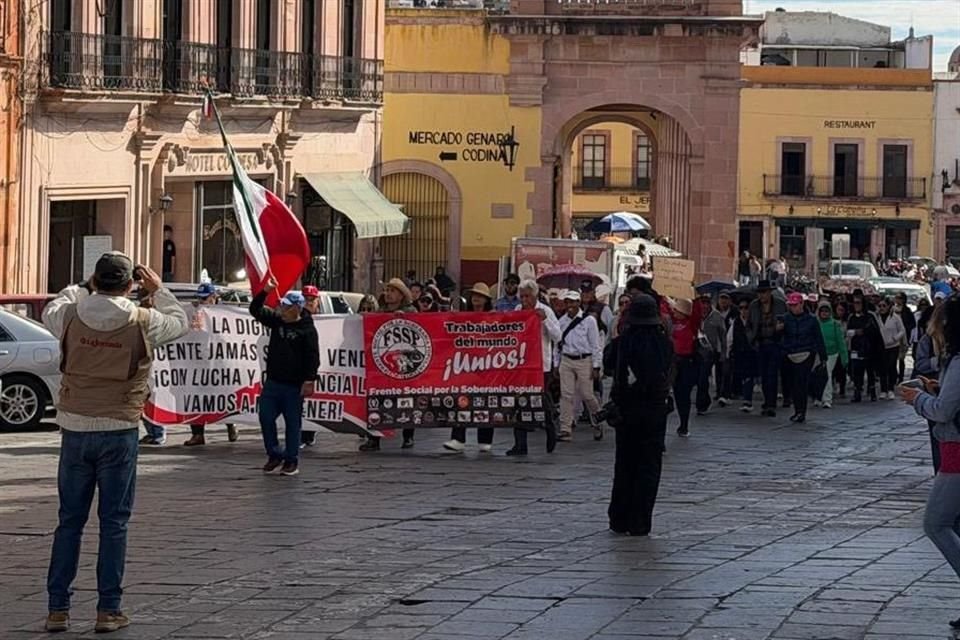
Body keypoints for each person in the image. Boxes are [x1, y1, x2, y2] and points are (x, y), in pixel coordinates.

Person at [42, 254, 188, 634]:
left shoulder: (71, 314)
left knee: (69, 522)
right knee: (114, 523)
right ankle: (108, 609)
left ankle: (58, 609)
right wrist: (160, 289)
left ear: (95, 279)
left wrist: (83, 286)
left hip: (75, 426)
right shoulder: (144, 320)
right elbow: (181, 322)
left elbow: (54, 305)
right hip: (120, 426)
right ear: (130, 285)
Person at [901, 296, 960, 631]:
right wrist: (937, 388)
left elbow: (942, 412)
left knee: (936, 524)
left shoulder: (959, 361)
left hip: (956, 451)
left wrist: (918, 398)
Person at [604, 294, 673, 536]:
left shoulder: (624, 341)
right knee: (649, 466)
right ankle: (640, 521)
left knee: (625, 464)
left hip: (627, 409)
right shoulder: (663, 343)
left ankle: (619, 518)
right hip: (654, 410)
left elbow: (608, 362)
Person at [250, 280, 320, 476]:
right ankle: (274, 453)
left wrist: (310, 380)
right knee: (265, 417)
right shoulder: (277, 321)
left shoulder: (307, 329)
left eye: (286, 306)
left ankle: (291, 460)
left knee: (292, 423)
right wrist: (264, 291)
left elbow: (313, 356)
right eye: (282, 305)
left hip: (293, 385)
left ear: (296, 308)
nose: (281, 308)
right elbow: (255, 309)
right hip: (273, 382)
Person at [360, 279, 417, 452]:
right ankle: (374, 438)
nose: (388, 293)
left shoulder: (411, 311)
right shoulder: (379, 312)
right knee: (376, 400)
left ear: (401, 294)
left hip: (404, 363)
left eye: (392, 290)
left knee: (407, 400)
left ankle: (408, 437)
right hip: (382, 363)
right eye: (386, 290)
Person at [508, 279, 561, 456]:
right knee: (519, 402)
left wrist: (544, 320)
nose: (524, 300)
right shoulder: (517, 311)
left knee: (541, 399)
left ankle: (550, 428)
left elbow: (557, 336)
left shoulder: (545, 311)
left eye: (527, 296)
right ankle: (520, 443)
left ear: (535, 296)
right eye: (521, 296)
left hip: (541, 364)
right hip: (521, 363)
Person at [184, 283, 239, 447]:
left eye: (206, 298)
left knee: (223, 396)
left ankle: (231, 424)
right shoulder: (195, 312)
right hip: (198, 363)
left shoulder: (224, 314)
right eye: (200, 298)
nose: (202, 302)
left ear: (214, 298)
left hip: (218, 363)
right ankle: (197, 434)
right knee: (195, 398)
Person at [444, 283, 495, 452]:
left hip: (488, 364)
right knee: (462, 400)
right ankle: (458, 438)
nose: (476, 298)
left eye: (479, 296)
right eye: (474, 295)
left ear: (486, 300)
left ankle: (485, 439)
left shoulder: (494, 317)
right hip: (466, 364)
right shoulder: (464, 317)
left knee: (487, 402)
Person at [556, 290, 602, 442]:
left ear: (578, 303)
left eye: (573, 302)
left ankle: (598, 420)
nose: (570, 305)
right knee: (566, 395)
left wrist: (596, 366)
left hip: (584, 360)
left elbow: (595, 345)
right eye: (568, 302)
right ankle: (565, 428)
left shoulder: (589, 321)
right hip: (567, 359)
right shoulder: (562, 321)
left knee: (587, 395)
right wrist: (557, 364)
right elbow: (558, 344)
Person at [781, 292, 827, 423]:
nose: (793, 308)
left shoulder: (812, 320)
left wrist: (823, 357)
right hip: (790, 354)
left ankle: (801, 411)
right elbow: (780, 336)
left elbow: (818, 338)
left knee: (801, 383)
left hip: (806, 353)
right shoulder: (785, 319)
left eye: (795, 305)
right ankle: (797, 410)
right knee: (794, 384)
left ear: (801, 304)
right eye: (791, 305)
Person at [747, 280, 786, 417]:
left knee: (772, 374)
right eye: (760, 293)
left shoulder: (780, 304)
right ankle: (767, 401)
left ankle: (771, 403)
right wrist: (751, 338)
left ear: (770, 292)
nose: (761, 295)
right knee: (763, 374)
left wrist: (781, 329)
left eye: (764, 292)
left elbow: (786, 321)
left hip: (775, 342)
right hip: (761, 343)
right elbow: (749, 325)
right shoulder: (754, 306)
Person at [668, 297, 705, 437]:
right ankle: (682, 419)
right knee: (677, 393)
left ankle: (684, 423)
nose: (675, 312)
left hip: (687, 362)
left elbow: (696, 312)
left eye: (678, 310)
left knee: (684, 393)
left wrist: (694, 296)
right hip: (675, 361)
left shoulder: (691, 325)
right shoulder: (674, 323)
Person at [299, 285, 323, 448]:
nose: (308, 302)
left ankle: (309, 433)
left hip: (320, 369)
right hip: (301, 369)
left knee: (315, 402)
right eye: (305, 299)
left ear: (317, 301)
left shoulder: (326, 319)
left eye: (311, 299)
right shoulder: (295, 319)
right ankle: (302, 434)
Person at [847, 295, 882, 403]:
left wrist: (864, 332)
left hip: (868, 347)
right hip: (856, 347)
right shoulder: (852, 317)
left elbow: (875, 331)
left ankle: (872, 392)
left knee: (870, 370)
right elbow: (848, 331)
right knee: (856, 370)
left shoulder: (869, 317)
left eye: (858, 303)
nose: (856, 305)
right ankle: (857, 392)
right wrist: (854, 332)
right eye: (855, 303)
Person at [815, 301, 848, 409]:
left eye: (826, 311)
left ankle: (827, 399)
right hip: (817, 353)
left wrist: (844, 357)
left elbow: (841, 341)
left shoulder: (835, 324)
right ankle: (818, 397)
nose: (824, 313)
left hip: (831, 353)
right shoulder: (815, 323)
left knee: (827, 375)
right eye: (822, 311)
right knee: (817, 375)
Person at [728, 298, 758, 412]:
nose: (744, 310)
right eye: (741, 308)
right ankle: (744, 396)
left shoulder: (754, 321)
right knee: (743, 376)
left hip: (751, 352)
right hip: (739, 352)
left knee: (749, 376)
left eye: (746, 308)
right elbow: (730, 338)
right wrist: (728, 352)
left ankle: (747, 400)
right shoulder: (736, 322)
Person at [699, 293, 728, 408]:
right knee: (701, 377)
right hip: (699, 351)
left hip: (713, 350)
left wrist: (724, 353)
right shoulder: (696, 315)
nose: (704, 306)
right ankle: (704, 400)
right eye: (702, 303)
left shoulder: (717, 316)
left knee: (711, 375)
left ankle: (717, 396)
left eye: (706, 303)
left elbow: (723, 335)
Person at [876, 296, 906, 400]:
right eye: (880, 306)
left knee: (891, 366)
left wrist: (895, 338)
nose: (882, 308)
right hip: (881, 346)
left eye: (884, 305)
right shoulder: (876, 317)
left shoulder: (895, 317)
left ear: (888, 306)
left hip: (893, 346)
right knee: (882, 368)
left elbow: (902, 330)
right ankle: (883, 390)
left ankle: (891, 389)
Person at [894, 292, 916, 383]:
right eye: (896, 298)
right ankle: (894, 375)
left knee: (901, 358)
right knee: (892, 358)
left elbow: (912, 324)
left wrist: (906, 330)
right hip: (893, 336)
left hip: (904, 337)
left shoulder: (907, 311)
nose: (898, 300)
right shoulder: (892, 310)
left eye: (899, 298)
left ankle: (901, 377)